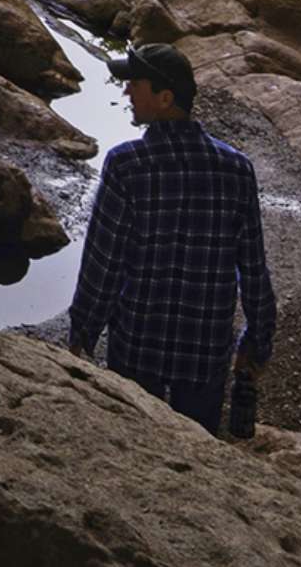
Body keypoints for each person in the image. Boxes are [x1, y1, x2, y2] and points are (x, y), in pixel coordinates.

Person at [68, 46, 275, 437]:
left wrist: (82, 334)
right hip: (205, 352)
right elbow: (253, 267)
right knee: (199, 452)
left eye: (135, 84)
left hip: (137, 347)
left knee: (134, 446)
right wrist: (257, 341)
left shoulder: (126, 165)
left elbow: (103, 263)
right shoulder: (236, 169)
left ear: (165, 99)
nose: (127, 92)